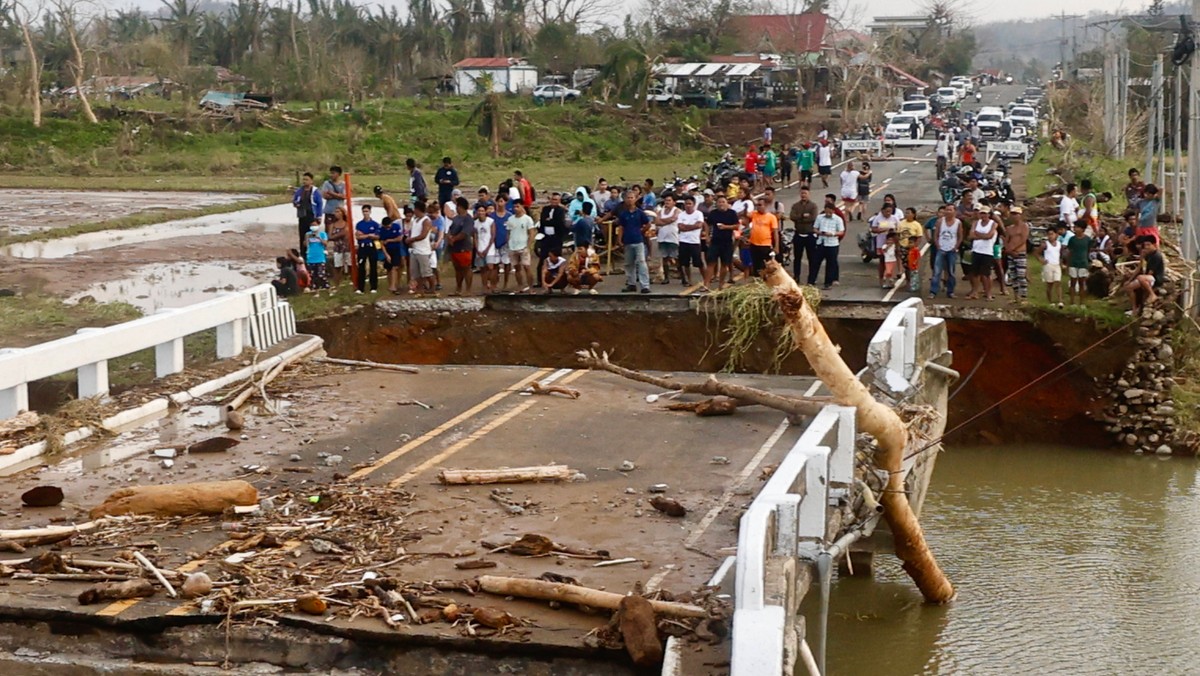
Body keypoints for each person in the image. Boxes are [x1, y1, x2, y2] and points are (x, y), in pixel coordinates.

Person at [615, 191, 652, 293]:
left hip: (638, 241)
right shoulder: (623, 214)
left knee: (641, 263)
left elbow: (648, 224)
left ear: (635, 199)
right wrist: (619, 240)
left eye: (632, 198)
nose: (630, 200)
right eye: (628, 198)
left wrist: (642, 231)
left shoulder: (640, 213)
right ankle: (631, 284)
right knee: (628, 263)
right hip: (627, 241)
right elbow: (621, 227)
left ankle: (645, 285)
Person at [705, 195, 739, 290]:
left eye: (723, 202)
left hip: (727, 242)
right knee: (711, 263)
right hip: (715, 241)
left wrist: (726, 227)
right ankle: (706, 284)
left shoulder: (732, 213)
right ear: (716, 204)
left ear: (727, 203)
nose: (721, 204)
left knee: (725, 264)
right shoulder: (713, 213)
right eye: (719, 202)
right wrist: (707, 236)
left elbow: (736, 226)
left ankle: (721, 284)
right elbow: (707, 224)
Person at [1125, 236, 1164, 314]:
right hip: (1145, 278)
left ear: (1154, 245)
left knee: (1140, 278)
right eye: (1145, 245)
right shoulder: (1147, 255)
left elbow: (1150, 272)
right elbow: (1139, 268)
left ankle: (1152, 294)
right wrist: (1130, 280)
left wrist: (1141, 280)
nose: (1146, 247)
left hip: (1155, 278)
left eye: (1148, 245)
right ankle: (1134, 309)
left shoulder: (1156, 256)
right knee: (1128, 287)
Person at [810, 201, 845, 289]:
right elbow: (814, 228)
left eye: (830, 212)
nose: (828, 214)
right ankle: (811, 281)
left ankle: (828, 283)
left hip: (832, 244)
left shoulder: (838, 219)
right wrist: (820, 232)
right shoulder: (820, 217)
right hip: (821, 242)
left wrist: (832, 234)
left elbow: (841, 232)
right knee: (815, 262)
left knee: (831, 264)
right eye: (826, 212)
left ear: (833, 211)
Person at [930, 205, 962, 299]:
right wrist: (938, 245)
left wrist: (956, 247)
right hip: (941, 249)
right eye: (947, 210)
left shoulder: (958, 223)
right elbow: (935, 235)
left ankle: (950, 291)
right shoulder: (940, 221)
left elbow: (960, 236)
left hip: (951, 250)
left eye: (950, 210)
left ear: (954, 211)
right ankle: (933, 291)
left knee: (951, 272)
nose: (948, 211)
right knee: (937, 271)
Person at [966, 206, 998, 301]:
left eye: (985, 213)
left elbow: (989, 236)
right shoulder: (976, 223)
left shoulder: (993, 224)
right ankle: (975, 292)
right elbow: (971, 235)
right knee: (975, 273)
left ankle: (989, 294)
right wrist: (982, 236)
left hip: (987, 252)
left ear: (989, 214)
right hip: (976, 250)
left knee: (986, 274)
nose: (983, 215)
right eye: (981, 213)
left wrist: (978, 234)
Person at [404, 201, 435, 295]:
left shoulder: (426, 220)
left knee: (426, 272)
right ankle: (420, 289)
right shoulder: (415, 220)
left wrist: (411, 239)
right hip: (415, 249)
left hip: (423, 250)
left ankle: (432, 288)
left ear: (417, 209)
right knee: (416, 273)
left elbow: (423, 235)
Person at [537, 192, 567, 288]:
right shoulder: (545, 209)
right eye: (553, 199)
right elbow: (543, 221)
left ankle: (558, 281)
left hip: (556, 238)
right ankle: (540, 281)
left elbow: (559, 222)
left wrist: (550, 221)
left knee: (556, 259)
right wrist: (548, 221)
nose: (554, 201)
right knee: (543, 259)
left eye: (556, 200)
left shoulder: (560, 211)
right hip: (546, 237)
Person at [447, 196, 475, 295]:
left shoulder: (468, 219)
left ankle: (468, 289)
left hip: (464, 247)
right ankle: (458, 288)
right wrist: (449, 237)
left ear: (461, 207)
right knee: (457, 269)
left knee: (466, 268)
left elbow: (465, 233)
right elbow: (450, 229)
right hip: (454, 248)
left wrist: (454, 238)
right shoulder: (456, 218)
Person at [789, 186, 819, 283]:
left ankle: (811, 279)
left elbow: (813, 218)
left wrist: (800, 218)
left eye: (805, 193)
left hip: (810, 235)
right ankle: (796, 277)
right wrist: (802, 216)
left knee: (812, 258)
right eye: (802, 193)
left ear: (808, 194)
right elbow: (792, 216)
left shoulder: (813, 206)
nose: (803, 195)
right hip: (798, 234)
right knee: (797, 258)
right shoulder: (795, 205)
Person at [507, 202, 537, 293]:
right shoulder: (510, 219)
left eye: (517, 206)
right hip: (513, 246)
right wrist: (509, 243)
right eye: (514, 206)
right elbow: (508, 233)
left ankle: (531, 287)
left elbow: (531, 233)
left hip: (523, 246)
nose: (515, 208)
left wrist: (528, 246)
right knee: (517, 268)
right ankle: (520, 286)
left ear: (522, 207)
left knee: (527, 267)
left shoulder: (527, 219)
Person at [746, 198, 780, 276]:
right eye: (757, 205)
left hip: (765, 245)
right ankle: (757, 280)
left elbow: (775, 233)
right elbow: (745, 215)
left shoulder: (771, 217)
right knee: (755, 264)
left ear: (766, 205)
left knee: (765, 265)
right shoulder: (754, 214)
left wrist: (776, 246)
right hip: (754, 244)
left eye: (760, 205)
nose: (758, 207)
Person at [676, 196, 705, 288]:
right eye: (686, 204)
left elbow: (699, 225)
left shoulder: (698, 214)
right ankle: (689, 280)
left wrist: (687, 227)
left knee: (698, 262)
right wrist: (692, 226)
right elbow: (680, 227)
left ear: (693, 204)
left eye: (689, 204)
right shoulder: (681, 215)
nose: (687, 206)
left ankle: (705, 280)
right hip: (683, 241)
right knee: (685, 263)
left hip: (694, 241)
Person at [868, 204, 900, 286]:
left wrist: (893, 232)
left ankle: (891, 279)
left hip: (892, 243)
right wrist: (881, 230)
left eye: (890, 211)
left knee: (893, 261)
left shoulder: (894, 218)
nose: (888, 213)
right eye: (887, 211)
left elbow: (899, 229)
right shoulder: (878, 218)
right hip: (881, 242)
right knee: (882, 261)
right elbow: (873, 229)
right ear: (882, 211)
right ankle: (881, 279)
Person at [1003, 206, 1029, 301]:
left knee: (1021, 276)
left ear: (1020, 215)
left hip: (1020, 253)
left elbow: (1023, 239)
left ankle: (1024, 297)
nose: (1014, 216)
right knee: (1013, 276)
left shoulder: (1024, 226)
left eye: (1016, 214)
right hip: (1011, 254)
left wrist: (1013, 249)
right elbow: (1006, 240)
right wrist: (1008, 249)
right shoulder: (1009, 228)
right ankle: (1016, 297)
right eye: (1013, 214)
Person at [293, 172, 324, 251]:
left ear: (311, 181)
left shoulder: (315, 191)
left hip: (312, 216)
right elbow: (295, 200)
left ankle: (313, 252)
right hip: (302, 216)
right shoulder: (300, 191)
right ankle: (303, 253)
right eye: (303, 179)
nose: (304, 181)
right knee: (303, 235)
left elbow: (319, 204)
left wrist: (319, 216)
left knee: (313, 234)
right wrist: (296, 204)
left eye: (307, 180)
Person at [354, 205, 381, 294]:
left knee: (373, 266)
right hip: (362, 246)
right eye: (364, 211)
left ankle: (374, 286)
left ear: (370, 212)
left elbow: (377, 236)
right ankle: (360, 287)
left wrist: (365, 235)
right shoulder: (359, 224)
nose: (365, 213)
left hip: (372, 246)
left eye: (367, 211)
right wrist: (369, 235)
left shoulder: (375, 224)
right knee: (361, 266)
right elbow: (358, 236)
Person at [896, 206, 923, 291]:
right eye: (906, 213)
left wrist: (915, 246)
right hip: (903, 247)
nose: (906, 214)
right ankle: (908, 282)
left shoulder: (917, 225)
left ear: (913, 214)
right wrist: (898, 247)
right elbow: (897, 235)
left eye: (908, 213)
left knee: (913, 266)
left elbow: (919, 237)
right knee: (906, 266)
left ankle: (914, 283)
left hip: (912, 249)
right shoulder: (901, 223)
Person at [655, 195, 681, 284]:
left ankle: (681, 275)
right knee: (664, 258)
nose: (667, 202)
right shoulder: (660, 211)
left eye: (669, 200)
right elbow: (657, 222)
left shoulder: (677, 210)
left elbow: (673, 219)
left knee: (676, 257)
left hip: (673, 238)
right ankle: (666, 277)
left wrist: (662, 221)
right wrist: (666, 220)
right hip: (662, 237)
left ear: (674, 202)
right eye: (666, 200)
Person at [1065, 222, 1092, 306]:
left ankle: (1082, 303)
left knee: (1081, 283)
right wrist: (1068, 264)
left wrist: (1088, 262)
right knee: (1073, 282)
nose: (1075, 229)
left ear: (1082, 229)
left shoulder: (1087, 239)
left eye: (1077, 227)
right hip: (1073, 262)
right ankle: (1072, 302)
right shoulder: (1072, 239)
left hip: (1083, 263)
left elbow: (1088, 251)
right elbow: (1069, 252)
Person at [1037, 227, 1064, 308]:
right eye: (1049, 234)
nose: (1050, 236)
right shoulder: (1045, 244)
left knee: (1058, 282)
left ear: (1056, 235)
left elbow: (1061, 254)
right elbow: (1036, 253)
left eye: (1052, 234)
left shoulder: (1059, 244)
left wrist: (1061, 263)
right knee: (1050, 284)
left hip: (1056, 265)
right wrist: (1041, 260)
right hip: (1048, 265)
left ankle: (1060, 301)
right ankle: (1050, 301)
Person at [474, 204, 498, 294]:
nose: (481, 213)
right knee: (482, 269)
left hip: (490, 249)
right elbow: (475, 237)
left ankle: (492, 286)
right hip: (480, 248)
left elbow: (493, 236)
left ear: (485, 212)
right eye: (479, 211)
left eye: (482, 211)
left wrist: (487, 249)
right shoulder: (475, 223)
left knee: (490, 267)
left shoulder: (490, 221)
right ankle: (484, 287)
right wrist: (477, 249)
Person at [380, 214, 406, 294]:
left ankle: (394, 285)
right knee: (389, 268)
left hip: (396, 249)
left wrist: (389, 240)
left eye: (389, 226)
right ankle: (390, 284)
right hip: (387, 250)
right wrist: (386, 254)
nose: (388, 228)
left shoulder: (396, 227)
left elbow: (399, 238)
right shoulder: (382, 230)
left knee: (395, 267)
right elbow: (381, 243)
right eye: (386, 227)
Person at [303, 218, 329, 292]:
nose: (313, 226)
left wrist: (319, 238)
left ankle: (325, 287)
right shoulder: (308, 234)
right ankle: (315, 287)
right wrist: (307, 239)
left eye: (314, 225)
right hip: (311, 257)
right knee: (313, 275)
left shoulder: (322, 234)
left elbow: (325, 243)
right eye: (311, 225)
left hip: (320, 257)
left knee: (321, 274)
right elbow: (305, 244)